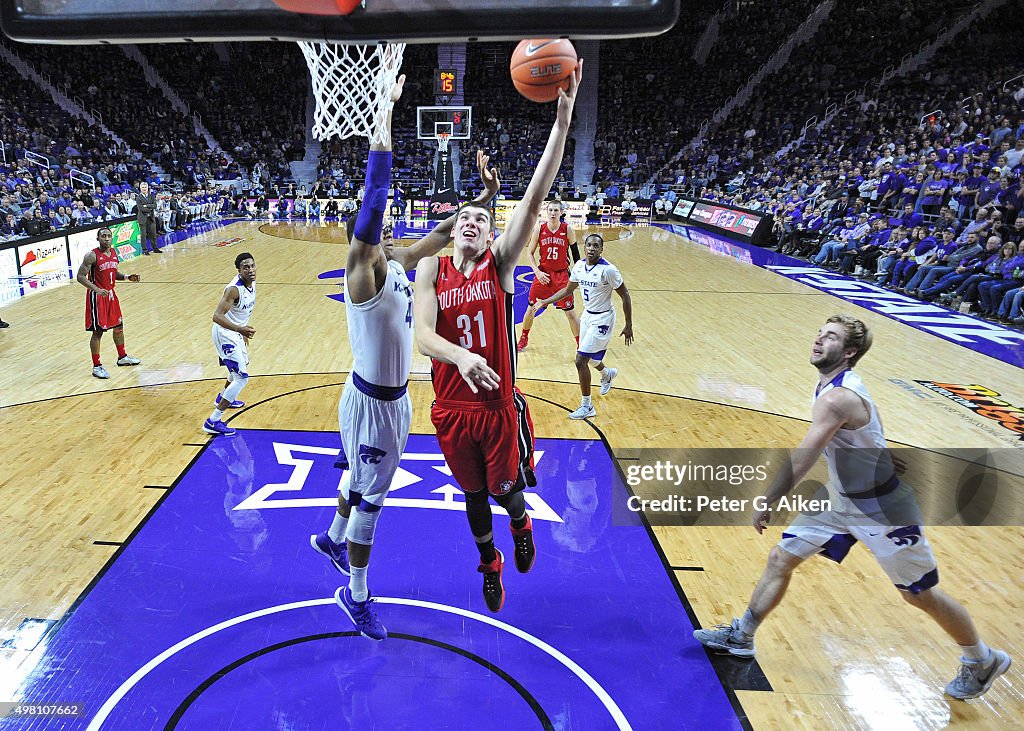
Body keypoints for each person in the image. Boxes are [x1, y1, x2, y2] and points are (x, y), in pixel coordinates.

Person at [693, 315, 1011, 701]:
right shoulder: (834, 386)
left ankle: (982, 660)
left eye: (830, 337)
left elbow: (805, 455)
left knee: (919, 595)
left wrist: (770, 497)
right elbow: (867, 425)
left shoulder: (839, 396)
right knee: (781, 558)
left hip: (881, 510)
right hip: (839, 498)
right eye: (819, 332)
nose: (818, 339)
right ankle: (742, 636)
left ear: (849, 352)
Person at [310, 77, 502, 640]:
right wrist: (384, 118)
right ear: (361, 242)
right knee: (372, 500)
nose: (386, 227)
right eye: (374, 231)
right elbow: (372, 200)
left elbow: (444, 232)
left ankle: (330, 537)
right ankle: (356, 593)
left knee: (358, 480)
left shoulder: (394, 261)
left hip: (382, 400)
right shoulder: (362, 272)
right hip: (374, 403)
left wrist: (485, 201)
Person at [413, 61, 583, 613]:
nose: (470, 224)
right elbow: (421, 336)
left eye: (480, 221)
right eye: (463, 218)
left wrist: (561, 123)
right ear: (451, 226)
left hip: (496, 407)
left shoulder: (499, 267)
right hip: (451, 408)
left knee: (507, 492)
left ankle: (523, 524)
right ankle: (490, 565)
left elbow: (534, 199)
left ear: (490, 234)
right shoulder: (431, 271)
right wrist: (460, 355)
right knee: (473, 496)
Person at [534, 232, 633, 419]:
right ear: (584, 247)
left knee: (580, 360)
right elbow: (567, 290)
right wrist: (545, 301)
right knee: (590, 357)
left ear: (601, 249)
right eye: (589, 245)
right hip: (587, 316)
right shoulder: (579, 266)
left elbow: (625, 294)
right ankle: (607, 374)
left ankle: (587, 406)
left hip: (603, 319)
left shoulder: (608, 270)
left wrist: (628, 324)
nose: (592, 248)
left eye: (596, 246)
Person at [76, 226, 142, 378]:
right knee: (98, 332)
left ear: (112, 238)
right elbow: (80, 277)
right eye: (103, 236)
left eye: (108, 236)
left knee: (119, 326)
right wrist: (97, 290)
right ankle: (96, 366)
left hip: (111, 294)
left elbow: (112, 272)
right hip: (97, 297)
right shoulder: (91, 256)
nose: (106, 238)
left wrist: (126, 277)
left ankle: (122, 357)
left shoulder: (113, 252)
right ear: (97, 239)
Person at [516, 200, 581, 352]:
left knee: (570, 312)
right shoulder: (539, 228)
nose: (553, 213)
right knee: (531, 308)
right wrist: (537, 272)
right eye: (550, 210)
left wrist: (579, 275)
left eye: (556, 210)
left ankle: (580, 344)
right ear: (547, 211)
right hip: (543, 274)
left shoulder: (567, 229)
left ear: (561, 212)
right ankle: (524, 339)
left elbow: (576, 255)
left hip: (562, 276)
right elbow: (529, 253)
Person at [204, 252, 257, 437]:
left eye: (252, 266)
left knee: (241, 366)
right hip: (225, 333)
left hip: (235, 332)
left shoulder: (252, 283)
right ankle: (213, 420)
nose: (250, 270)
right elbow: (216, 316)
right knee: (242, 377)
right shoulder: (233, 289)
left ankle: (224, 396)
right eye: (246, 267)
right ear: (239, 270)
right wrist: (239, 329)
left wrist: (241, 332)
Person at [136, 181, 161, 255]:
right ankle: (145, 250)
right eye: (143, 187)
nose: (144, 188)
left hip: (151, 218)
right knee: (143, 235)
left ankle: (155, 248)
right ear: (140, 188)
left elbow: (155, 205)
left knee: (153, 234)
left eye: (145, 187)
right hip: (142, 218)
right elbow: (141, 208)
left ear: (147, 188)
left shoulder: (151, 196)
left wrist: (146, 205)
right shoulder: (138, 198)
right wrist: (150, 208)